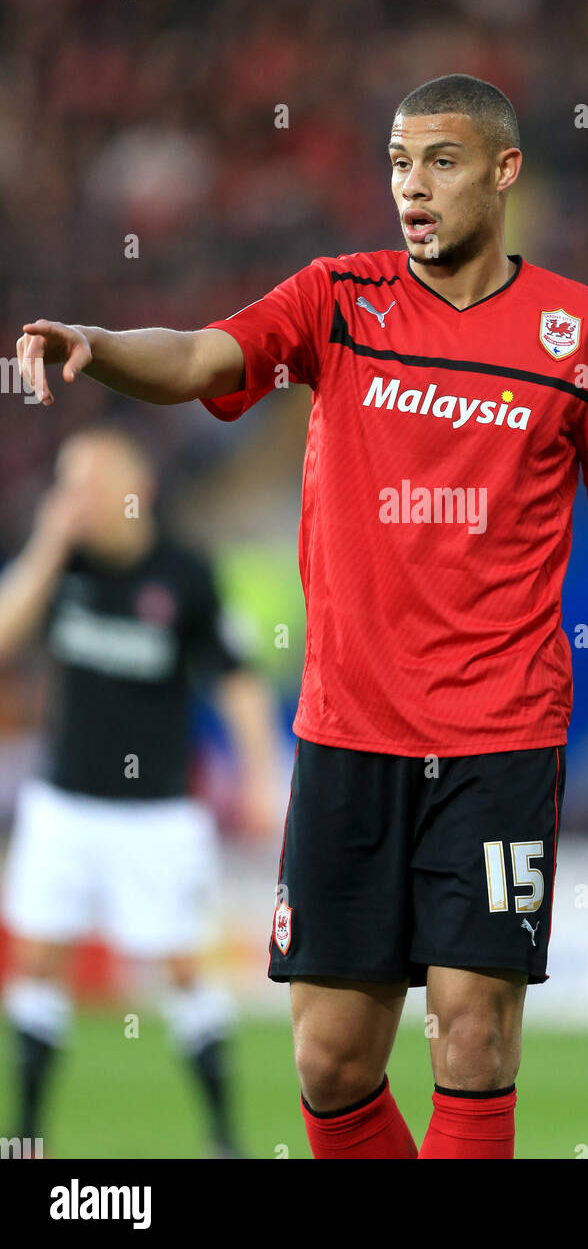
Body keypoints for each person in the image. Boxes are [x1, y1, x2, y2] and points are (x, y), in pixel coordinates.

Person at [15, 74, 588, 1161]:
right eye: (400, 163)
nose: (413, 186)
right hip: (348, 733)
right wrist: (100, 343)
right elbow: (205, 355)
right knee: (331, 1059)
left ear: (504, 172)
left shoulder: (580, 333)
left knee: (472, 1033)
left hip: (498, 737)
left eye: (441, 163)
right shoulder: (337, 299)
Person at [0, 426, 281, 1157]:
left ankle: (223, 1138)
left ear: (136, 490)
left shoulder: (185, 574)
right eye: (68, 485)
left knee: (185, 970)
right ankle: (26, 1138)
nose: (77, 500)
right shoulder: (61, 564)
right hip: (64, 803)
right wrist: (48, 546)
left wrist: (259, 774)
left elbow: (236, 679)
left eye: (90, 484)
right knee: (37, 964)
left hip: (157, 813)